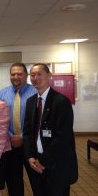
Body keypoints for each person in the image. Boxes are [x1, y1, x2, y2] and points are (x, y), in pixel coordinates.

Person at [23, 63, 78, 196]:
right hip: (35, 163)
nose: (35, 78)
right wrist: (29, 156)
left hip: (56, 164)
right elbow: (28, 132)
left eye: (39, 74)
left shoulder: (61, 102)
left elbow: (62, 137)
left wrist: (43, 161)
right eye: (32, 75)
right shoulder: (31, 102)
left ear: (49, 76)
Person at [0, 63, 37, 196]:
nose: (16, 77)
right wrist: (10, 136)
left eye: (19, 74)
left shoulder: (36, 93)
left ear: (26, 75)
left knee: (37, 181)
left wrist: (22, 137)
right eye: (13, 74)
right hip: (10, 145)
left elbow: (39, 122)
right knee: (14, 183)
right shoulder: (2, 94)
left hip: (32, 146)